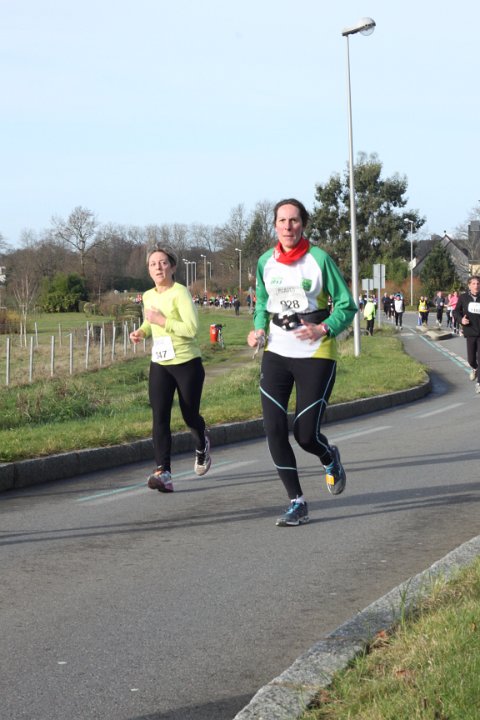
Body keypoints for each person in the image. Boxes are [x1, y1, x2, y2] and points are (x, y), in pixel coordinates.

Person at [247, 199, 357, 527]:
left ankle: (329, 456)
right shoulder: (265, 262)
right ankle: (297, 501)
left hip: (315, 353)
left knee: (305, 434)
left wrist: (324, 328)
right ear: (275, 225)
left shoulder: (318, 259)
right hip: (277, 352)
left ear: (303, 224)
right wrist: (258, 329)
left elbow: (346, 305)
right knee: (274, 428)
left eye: (294, 220)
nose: (288, 226)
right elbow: (262, 304)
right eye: (282, 220)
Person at [129, 245, 211, 492]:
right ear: (148, 270)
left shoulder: (180, 293)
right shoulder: (148, 295)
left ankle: (202, 444)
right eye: (153, 264)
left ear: (172, 267)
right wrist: (142, 332)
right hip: (161, 363)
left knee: (189, 416)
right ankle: (163, 472)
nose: (158, 268)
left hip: (186, 363)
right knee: (160, 416)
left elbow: (191, 329)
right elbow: (149, 322)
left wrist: (162, 320)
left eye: (163, 263)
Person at [453, 276, 480, 393]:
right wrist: (461, 320)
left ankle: (479, 383)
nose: (476, 286)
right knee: (471, 359)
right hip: (470, 332)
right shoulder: (463, 298)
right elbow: (455, 312)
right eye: (473, 283)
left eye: (478, 283)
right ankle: (475, 368)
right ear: (469, 285)